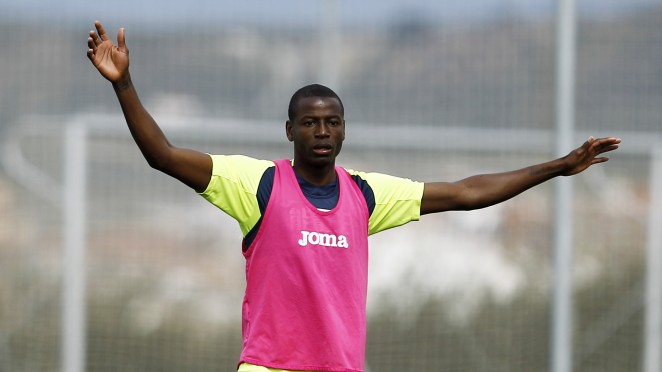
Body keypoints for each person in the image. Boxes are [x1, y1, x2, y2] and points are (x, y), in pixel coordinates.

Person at [86, 20, 621, 372]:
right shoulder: (257, 184)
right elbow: (163, 153)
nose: (321, 131)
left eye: (332, 122)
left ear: (344, 131)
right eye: (310, 122)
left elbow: (465, 193)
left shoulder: (364, 195)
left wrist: (558, 167)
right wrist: (123, 84)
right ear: (289, 131)